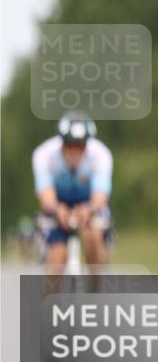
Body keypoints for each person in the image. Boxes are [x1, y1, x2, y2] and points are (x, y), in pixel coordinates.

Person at [32, 110, 113, 279]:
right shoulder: (44, 154)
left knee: (93, 238)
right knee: (57, 257)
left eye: (80, 146)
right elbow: (46, 196)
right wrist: (57, 209)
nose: (75, 152)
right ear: (61, 142)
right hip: (58, 204)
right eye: (69, 145)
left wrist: (89, 209)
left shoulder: (101, 154)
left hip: (88, 203)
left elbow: (100, 197)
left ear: (87, 144)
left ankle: (97, 287)